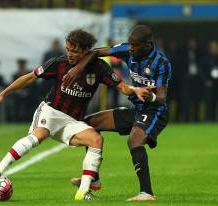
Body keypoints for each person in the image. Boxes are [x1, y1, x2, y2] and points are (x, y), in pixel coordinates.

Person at [0, 29, 151, 200]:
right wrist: (3, 94)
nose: (69, 54)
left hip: (72, 121)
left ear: (86, 51)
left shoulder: (100, 68)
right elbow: (29, 78)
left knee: (96, 140)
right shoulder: (59, 63)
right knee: (39, 135)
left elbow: (122, 87)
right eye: (68, 49)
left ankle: (83, 192)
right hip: (51, 112)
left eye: (74, 50)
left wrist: (135, 90)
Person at [64, 25, 172, 202]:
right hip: (136, 110)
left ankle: (147, 193)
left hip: (155, 111)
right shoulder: (128, 49)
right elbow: (96, 52)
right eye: (129, 44)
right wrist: (78, 68)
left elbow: (161, 97)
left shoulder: (162, 63)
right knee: (90, 124)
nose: (130, 48)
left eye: (135, 45)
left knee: (134, 139)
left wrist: (150, 97)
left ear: (148, 45)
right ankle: (94, 179)